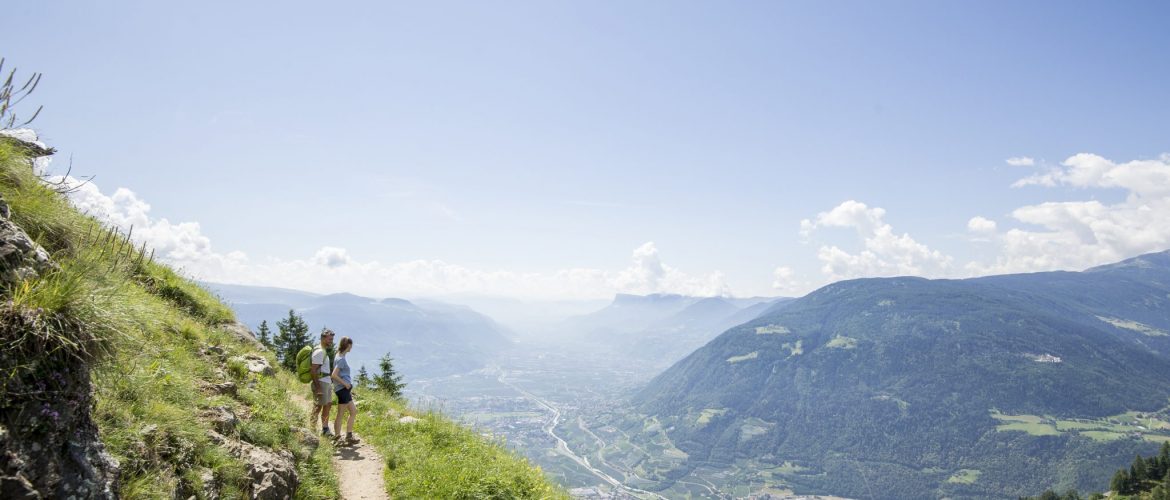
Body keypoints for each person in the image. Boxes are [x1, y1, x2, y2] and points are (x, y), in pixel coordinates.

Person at [331, 336, 360, 445]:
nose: (351, 348)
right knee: (341, 413)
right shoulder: (341, 359)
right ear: (348, 345)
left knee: (353, 411)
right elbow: (333, 375)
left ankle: (348, 435)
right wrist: (345, 384)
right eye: (351, 345)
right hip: (342, 389)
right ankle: (338, 438)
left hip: (343, 390)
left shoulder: (338, 355)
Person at [309, 329, 336, 437]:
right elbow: (313, 370)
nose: (331, 341)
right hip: (321, 383)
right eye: (330, 339)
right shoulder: (319, 352)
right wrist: (318, 387)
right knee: (318, 406)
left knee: (327, 405)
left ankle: (325, 429)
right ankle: (311, 428)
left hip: (326, 382)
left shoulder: (323, 351)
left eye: (332, 339)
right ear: (323, 338)